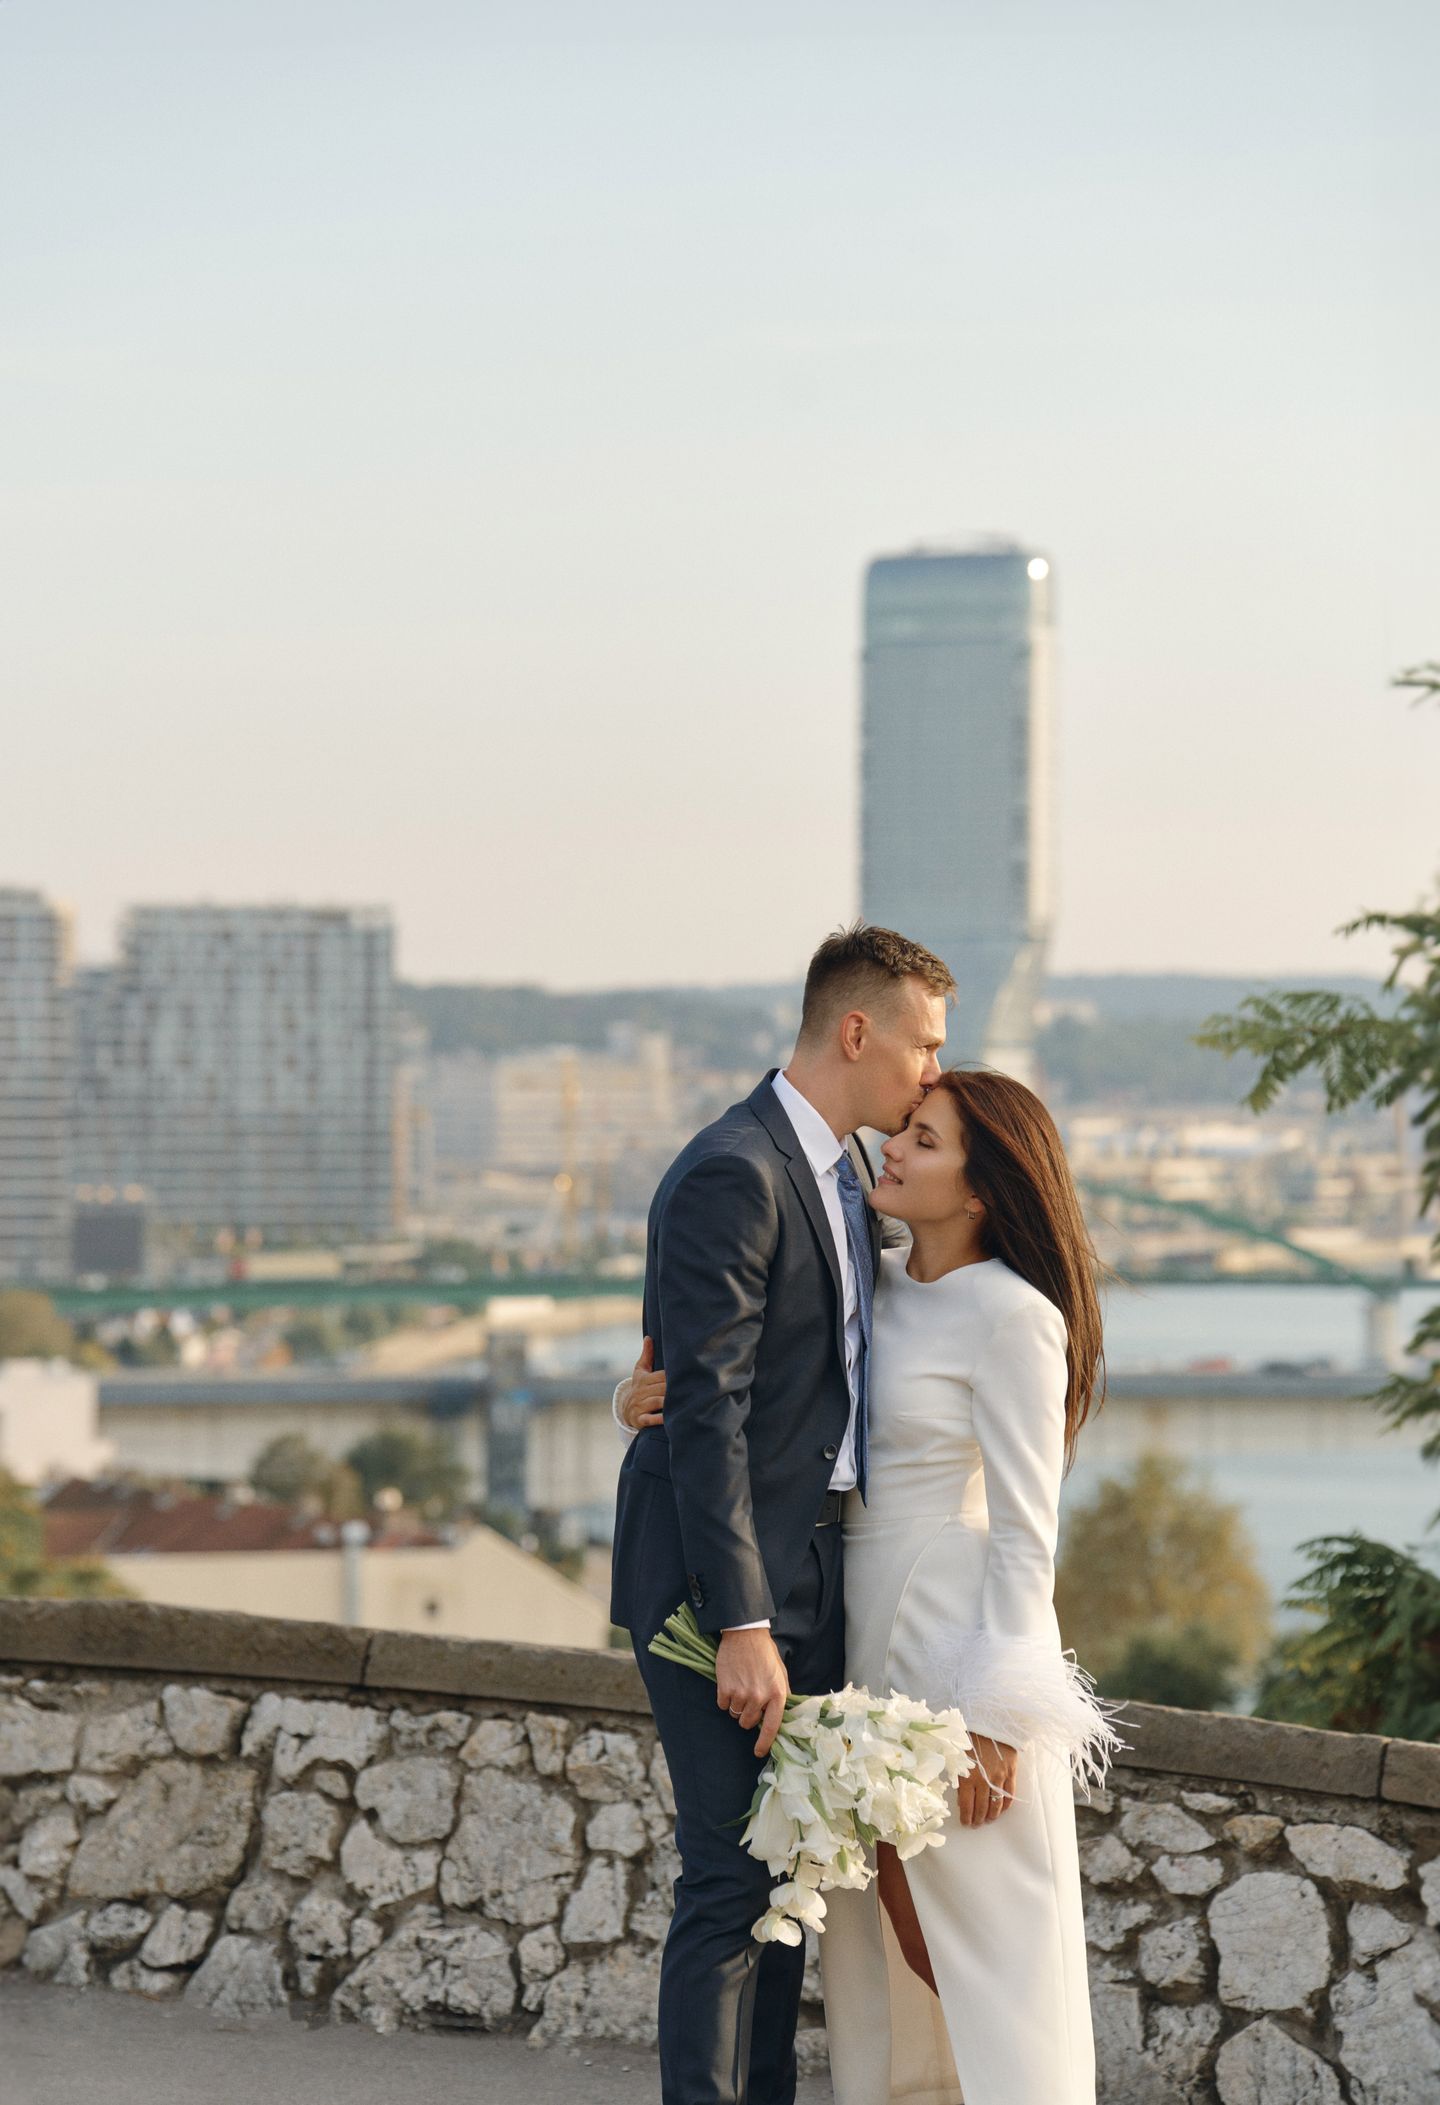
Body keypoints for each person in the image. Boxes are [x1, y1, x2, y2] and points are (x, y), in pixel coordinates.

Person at [618, 1066, 1117, 2105]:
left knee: (986, 1932)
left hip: (955, 1639)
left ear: (980, 1190)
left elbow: (1028, 1532)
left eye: (926, 1141)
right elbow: (748, 1383)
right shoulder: (871, 1276)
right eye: (908, 1128)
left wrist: (1000, 1713)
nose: (893, 1144)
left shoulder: (1015, 1313)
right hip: (852, 1631)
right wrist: (633, 1393)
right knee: (870, 1926)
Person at [609, 922, 954, 2105]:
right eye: (923, 1043)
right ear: (856, 1031)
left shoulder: (847, 1173)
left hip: (818, 1561)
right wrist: (742, 1619)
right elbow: (706, 1408)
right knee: (728, 1876)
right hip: (720, 1579)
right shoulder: (736, 1169)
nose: (934, 1072)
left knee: (790, 1864)